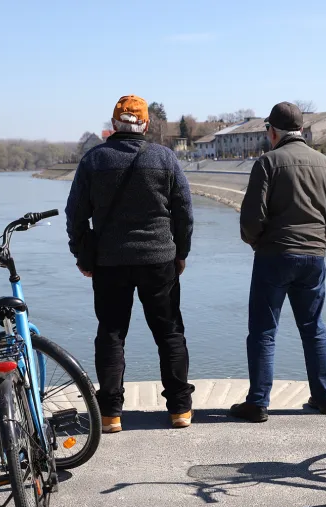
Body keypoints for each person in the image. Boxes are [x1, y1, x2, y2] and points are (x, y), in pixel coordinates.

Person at [65, 94, 195, 433]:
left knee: (111, 334)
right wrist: (180, 252)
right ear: (147, 125)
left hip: (110, 263)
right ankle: (179, 409)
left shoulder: (94, 160)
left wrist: (83, 255)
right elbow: (183, 212)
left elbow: (75, 215)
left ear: (113, 125)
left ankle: (110, 415)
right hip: (158, 261)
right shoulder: (164, 158)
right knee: (169, 333)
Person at [230, 101, 326, 423]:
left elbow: (251, 218)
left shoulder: (267, 163)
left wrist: (257, 242)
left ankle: (258, 403)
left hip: (274, 256)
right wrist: (316, 237)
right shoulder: (325, 164)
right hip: (313, 259)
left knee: (264, 331)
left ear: (273, 132)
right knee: (313, 328)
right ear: (302, 131)